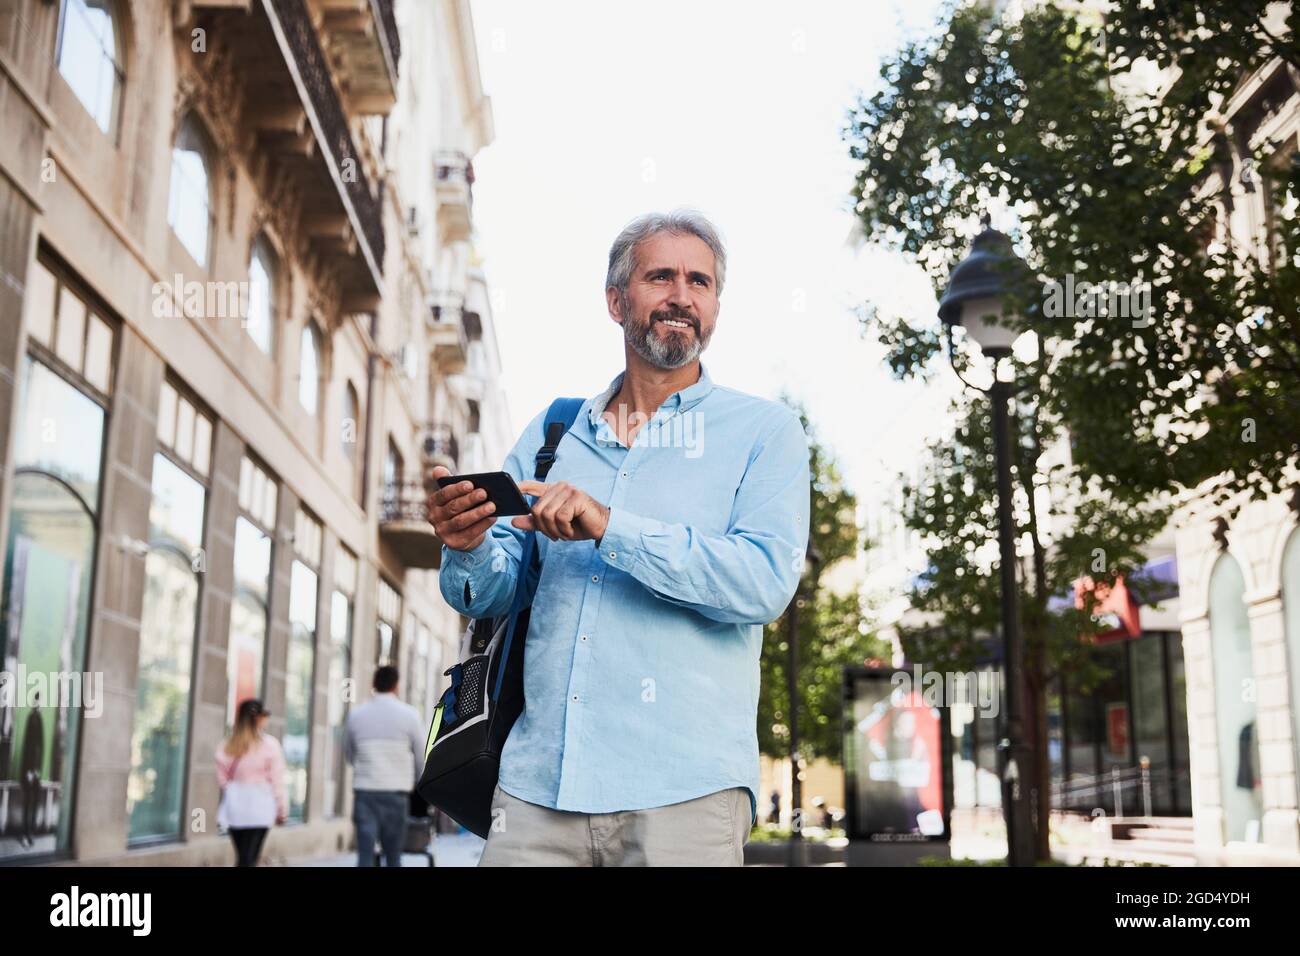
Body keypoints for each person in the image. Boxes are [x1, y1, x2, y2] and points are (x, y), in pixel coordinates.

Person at [429, 210, 811, 866]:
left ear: (716, 304)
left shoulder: (764, 432)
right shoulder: (553, 434)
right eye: (659, 276)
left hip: (686, 797)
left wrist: (611, 527)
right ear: (616, 300)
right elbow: (491, 590)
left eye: (700, 281)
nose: (681, 296)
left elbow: (763, 582)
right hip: (536, 790)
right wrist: (467, 543)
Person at [344, 666, 424, 867]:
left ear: (373, 684)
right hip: (396, 794)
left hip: (365, 791)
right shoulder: (410, 715)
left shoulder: (356, 715)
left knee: (364, 853)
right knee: (394, 855)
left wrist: (366, 768)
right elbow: (420, 756)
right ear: (396, 686)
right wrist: (417, 783)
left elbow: (349, 753)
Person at [215, 699, 286, 866]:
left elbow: (221, 778)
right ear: (259, 719)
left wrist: (235, 789)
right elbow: (277, 781)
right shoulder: (270, 745)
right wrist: (281, 808)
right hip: (260, 805)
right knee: (249, 857)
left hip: (236, 806)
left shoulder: (227, 745)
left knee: (243, 856)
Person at [19, 694, 45, 848]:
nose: (40, 703)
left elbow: (40, 747)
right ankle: (25, 833)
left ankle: (30, 832)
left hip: (35, 771)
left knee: (34, 802)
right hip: (30, 770)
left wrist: (37, 770)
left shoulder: (38, 718)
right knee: (28, 802)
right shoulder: (32, 718)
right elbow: (28, 745)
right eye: (38, 701)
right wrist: (29, 770)